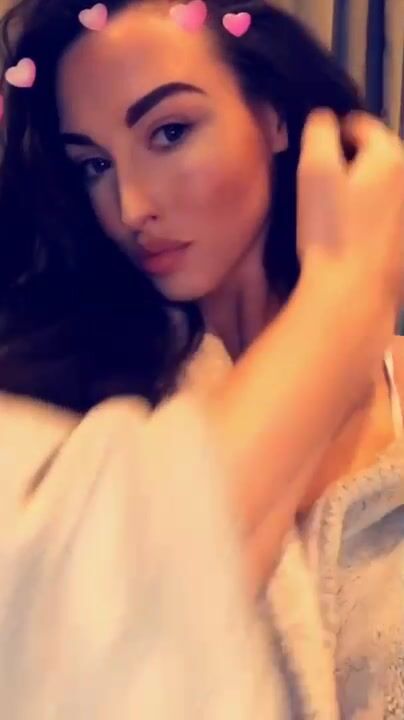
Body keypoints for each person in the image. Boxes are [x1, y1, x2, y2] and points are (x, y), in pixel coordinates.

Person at [0, 0, 402, 717]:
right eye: (93, 165)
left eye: (170, 132)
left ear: (276, 119)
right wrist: (345, 296)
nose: (131, 207)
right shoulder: (67, 419)